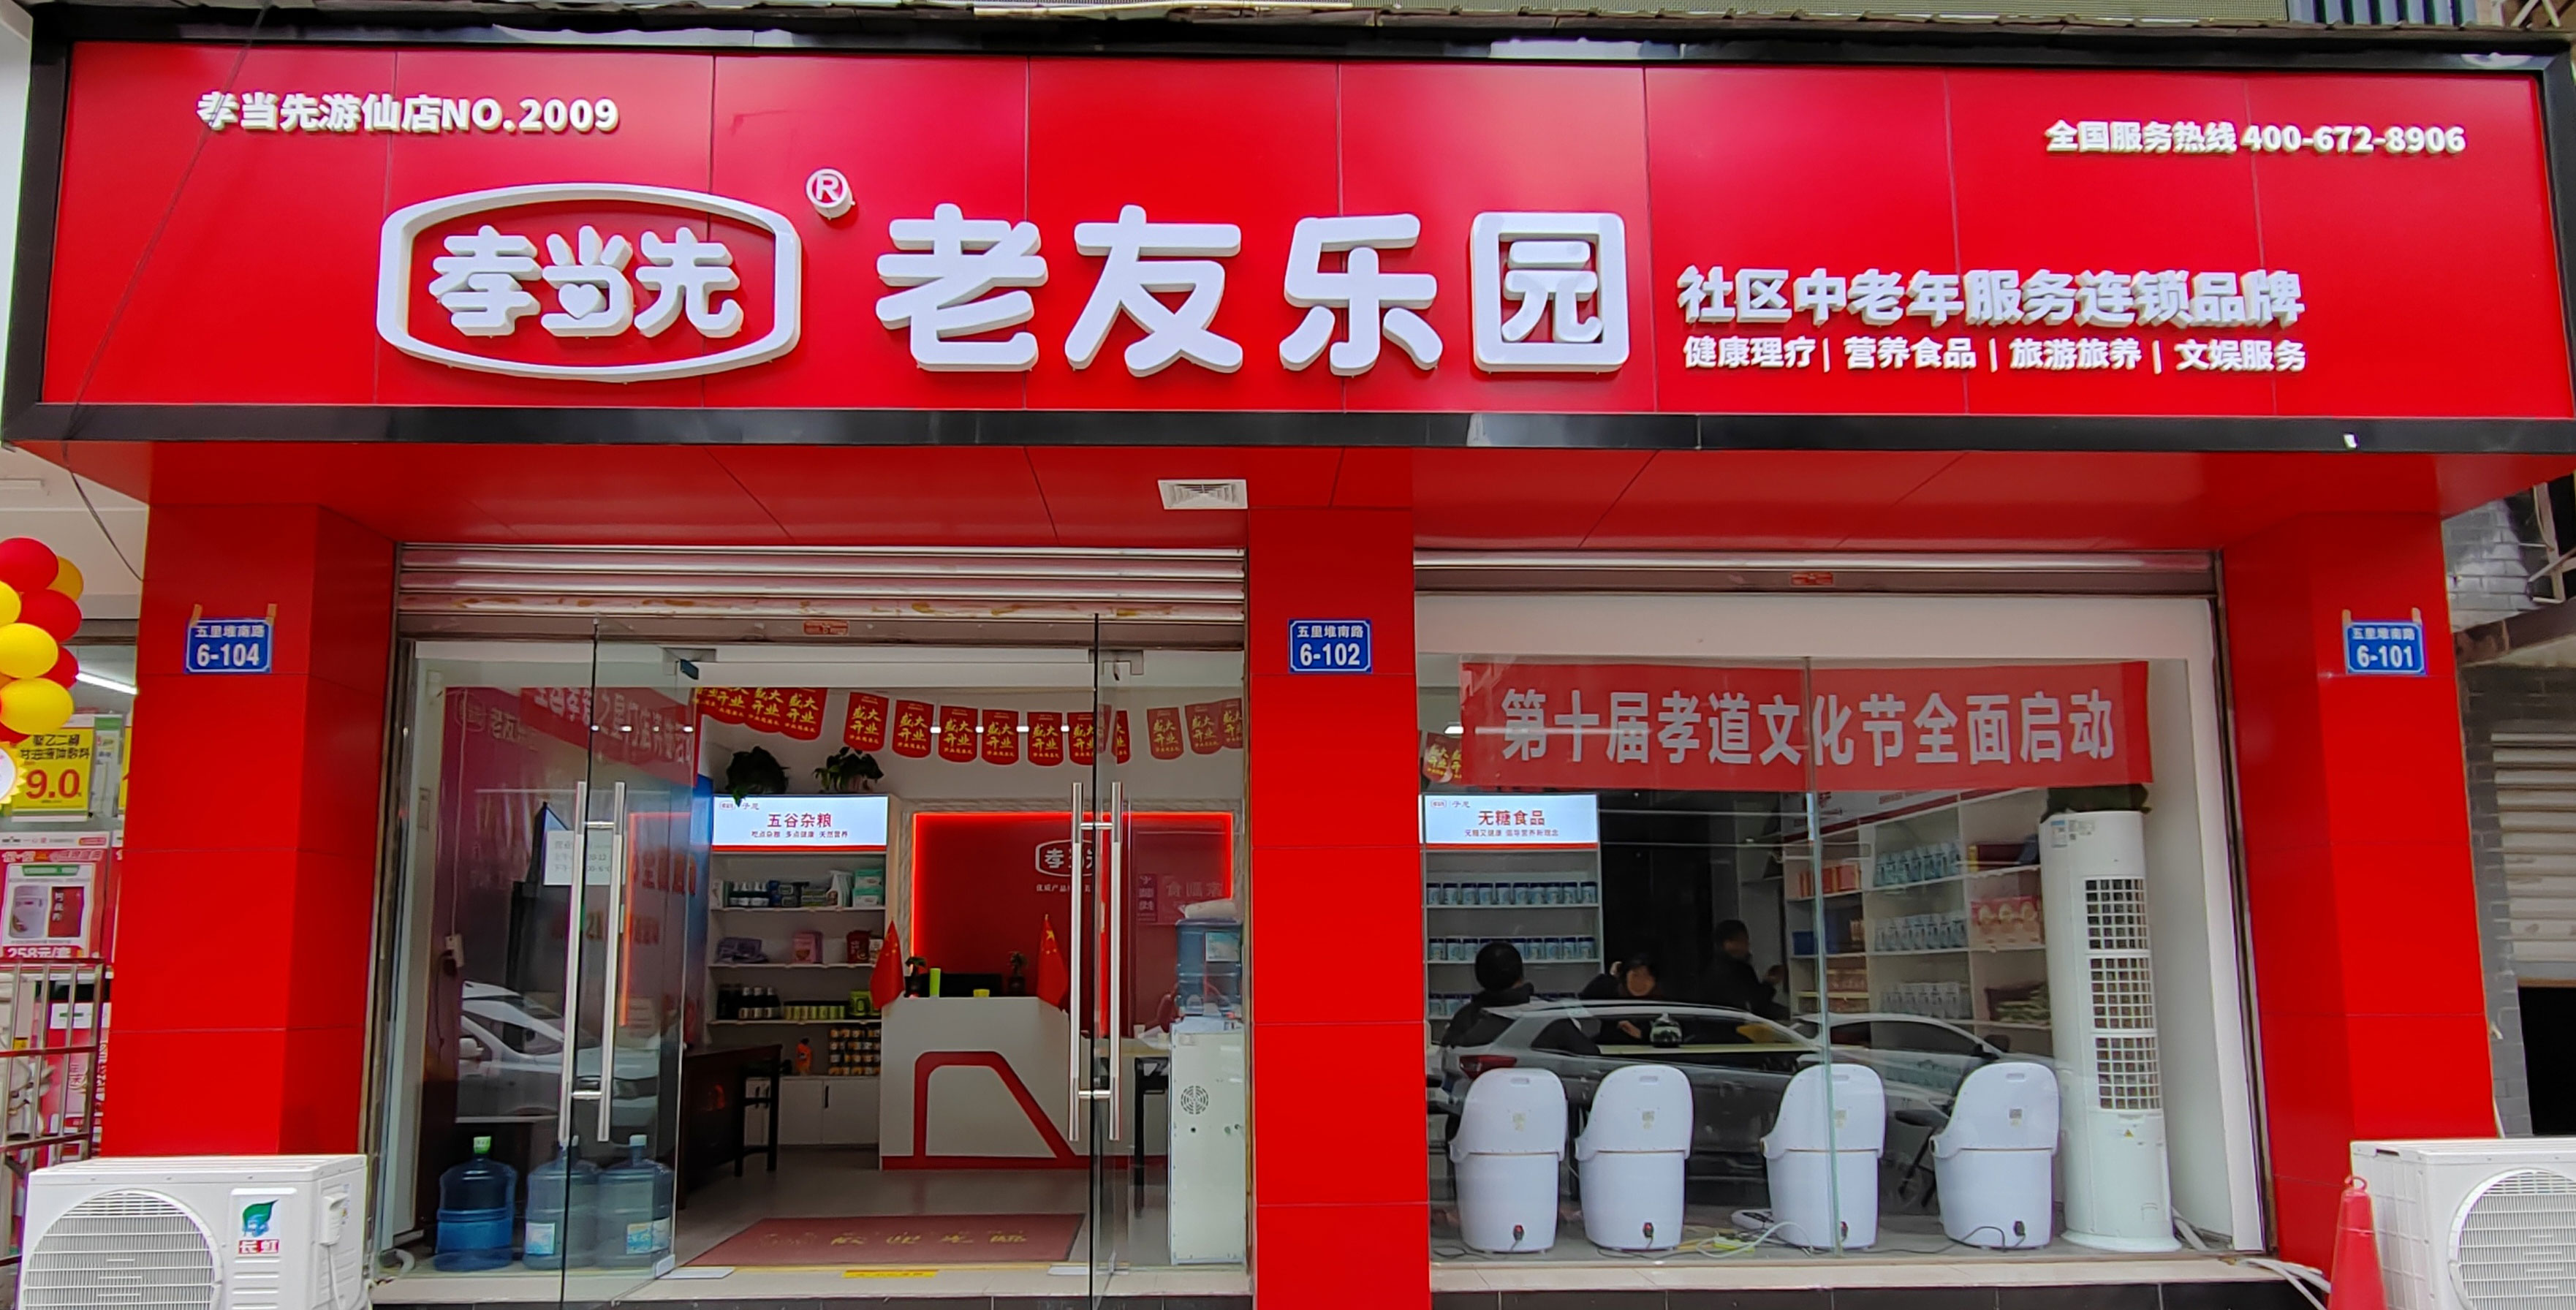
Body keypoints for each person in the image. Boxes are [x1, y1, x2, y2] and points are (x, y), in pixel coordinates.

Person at [1440, 941, 1534, 1048]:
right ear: (1521, 976)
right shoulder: (1541, 1014)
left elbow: (1448, 1051)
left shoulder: (1466, 1017)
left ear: (1479, 977)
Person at [1697, 920, 1788, 1020]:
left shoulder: (1736, 968)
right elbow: (1752, 1006)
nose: (1747, 945)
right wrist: (1768, 985)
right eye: (1743, 941)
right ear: (1729, 944)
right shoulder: (1726, 973)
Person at [1580, 951, 1665, 1041]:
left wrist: (1641, 1035)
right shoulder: (1612, 991)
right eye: (1636, 975)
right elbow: (1587, 996)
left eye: (1646, 977)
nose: (1640, 982)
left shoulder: (1659, 1003)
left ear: (1654, 982)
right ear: (1626, 976)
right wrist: (1611, 976)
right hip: (1610, 1045)